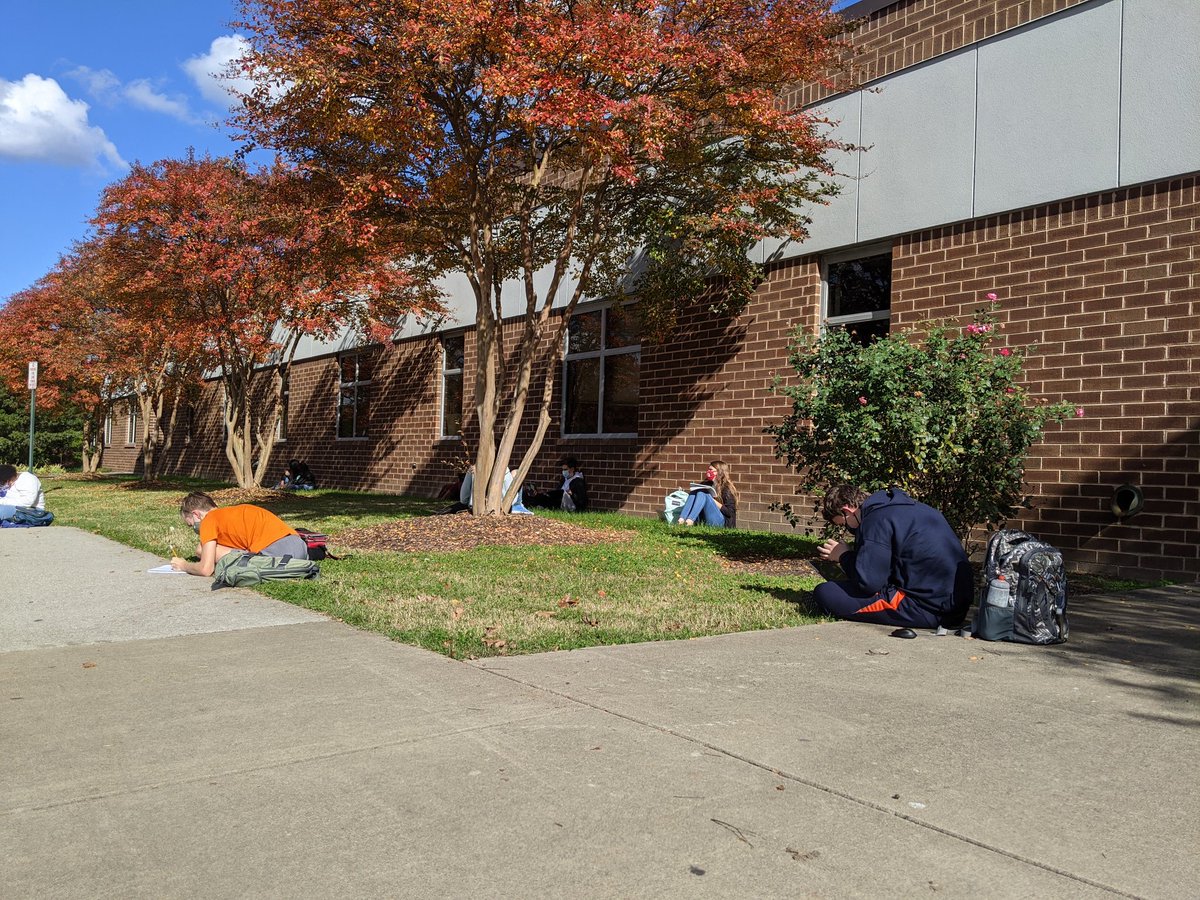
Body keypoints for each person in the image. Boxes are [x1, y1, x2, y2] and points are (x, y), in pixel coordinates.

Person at [813, 483, 973, 630]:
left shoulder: (875, 519)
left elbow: (868, 584)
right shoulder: (915, 508)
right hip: (956, 606)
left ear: (847, 512)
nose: (847, 529)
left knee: (826, 592)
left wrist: (843, 555)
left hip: (929, 610)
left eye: (844, 524)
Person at [170, 491, 308, 577]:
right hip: (300, 547)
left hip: (278, 557)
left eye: (191, 525)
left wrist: (183, 565)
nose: (195, 529)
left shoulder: (208, 520)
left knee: (201, 550)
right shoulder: (233, 513)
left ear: (196, 514)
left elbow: (206, 569)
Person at [677, 460, 737, 528]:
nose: (708, 471)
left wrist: (713, 501)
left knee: (703, 493)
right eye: (708, 469)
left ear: (719, 472)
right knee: (695, 491)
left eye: (711, 470)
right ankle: (681, 519)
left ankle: (690, 521)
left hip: (722, 522)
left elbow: (730, 512)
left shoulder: (726, 488)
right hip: (707, 517)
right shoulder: (706, 483)